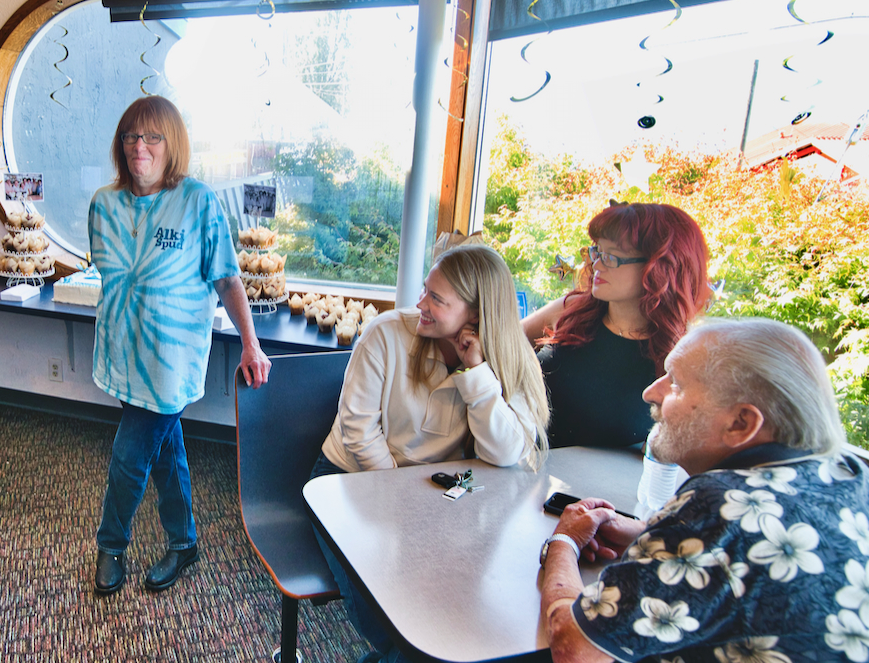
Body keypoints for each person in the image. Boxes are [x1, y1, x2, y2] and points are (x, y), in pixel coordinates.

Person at [538, 318, 868, 662]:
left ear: (740, 423)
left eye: (676, 384)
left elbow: (575, 647)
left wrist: (564, 543)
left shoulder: (720, 502)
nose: (651, 392)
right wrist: (649, 536)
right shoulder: (848, 473)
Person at [313, 242, 550, 662]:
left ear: (475, 317)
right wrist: (401, 509)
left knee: (452, 608)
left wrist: (475, 372)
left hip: (436, 493)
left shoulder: (507, 356)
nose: (420, 304)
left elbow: (506, 453)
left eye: (436, 299)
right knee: (391, 618)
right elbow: (359, 432)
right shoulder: (385, 334)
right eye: (425, 290)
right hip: (349, 481)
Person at [89, 96, 271, 595]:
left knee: (129, 455)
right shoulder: (103, 205)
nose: (138, 147)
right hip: (123, 352)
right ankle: (184, 541)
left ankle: (110, 546)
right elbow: (110, 277)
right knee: (166, 450)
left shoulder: (197, 201)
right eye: (130, 136)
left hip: (169, 362)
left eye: (151, 137)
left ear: (172, 146)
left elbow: (227, 278)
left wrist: (251, 345)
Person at [523, 202, 709, 448]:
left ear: (660, 268)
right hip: (514, 467)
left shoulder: (683, 356)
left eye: (611, 257)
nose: (597, 265)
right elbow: (500, 346)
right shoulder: (572, 308)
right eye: (598, 252)